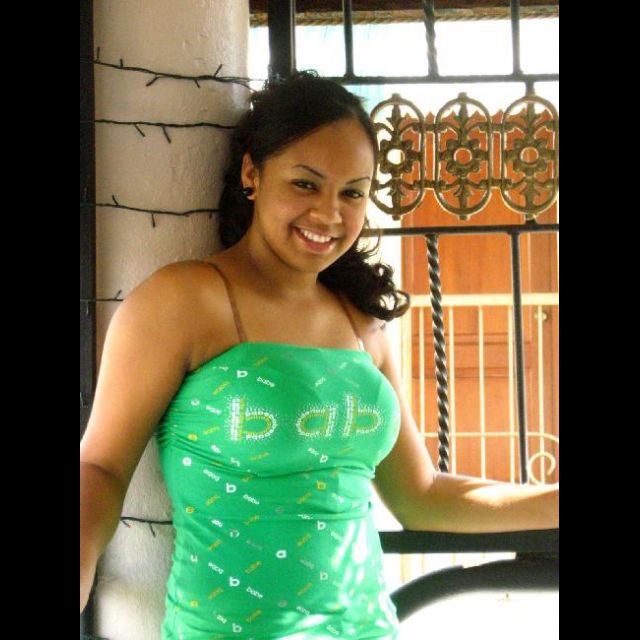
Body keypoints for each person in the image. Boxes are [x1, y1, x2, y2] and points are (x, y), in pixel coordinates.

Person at [80, 71, 559, 639]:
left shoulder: (362, 323)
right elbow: (101, 468)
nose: (330, 214)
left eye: (352, 192)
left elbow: (423, 496)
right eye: (306, 184)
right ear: (252, 173)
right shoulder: (183, 300)